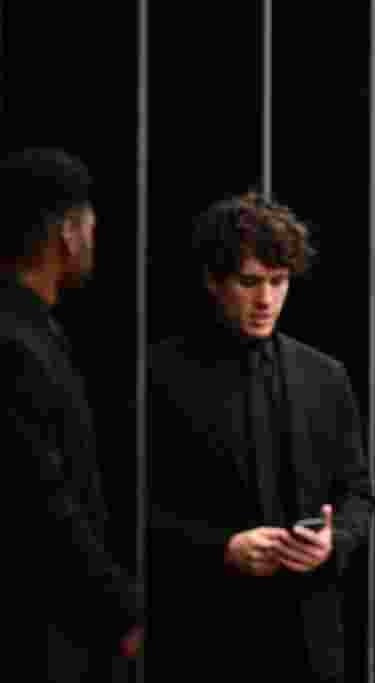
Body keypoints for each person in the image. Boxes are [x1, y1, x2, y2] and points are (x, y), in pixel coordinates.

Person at [147, 193, 371, 682]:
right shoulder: (159, 375)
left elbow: (358, 493)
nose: (266, 300)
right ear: (213, 280)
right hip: (205, 636)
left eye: (279, 282)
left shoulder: (325, 376)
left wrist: (335, 540)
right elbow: (126, 508)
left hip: (311, 639)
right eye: (249, 282)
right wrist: (220, 549)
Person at [0, 148, 142, 681]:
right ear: (68, 233)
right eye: (90, 225)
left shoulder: (33, 331)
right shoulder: (19, 344)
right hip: (41, 636)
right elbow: (45, 501)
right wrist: (118, 608)